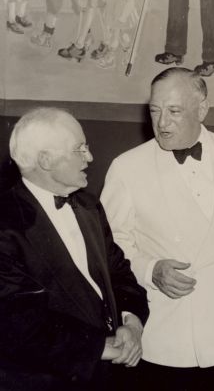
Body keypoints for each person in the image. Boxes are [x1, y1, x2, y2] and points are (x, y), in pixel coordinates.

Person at [101, 67, 214, 390]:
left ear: (202, 109)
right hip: (165, 333)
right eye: (155, 111)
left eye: (174, 111)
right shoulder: (126, 168)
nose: (162, 123)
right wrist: (151, 270)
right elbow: (112, 248)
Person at [0, 107, 149, 390]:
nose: (90, 158)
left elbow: (120, 274)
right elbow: (15, 322)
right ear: (45, 160)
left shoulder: (89, 206)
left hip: (109, 377)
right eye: (79, 149)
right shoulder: (5, 223)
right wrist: (98, 348)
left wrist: (132, 323)